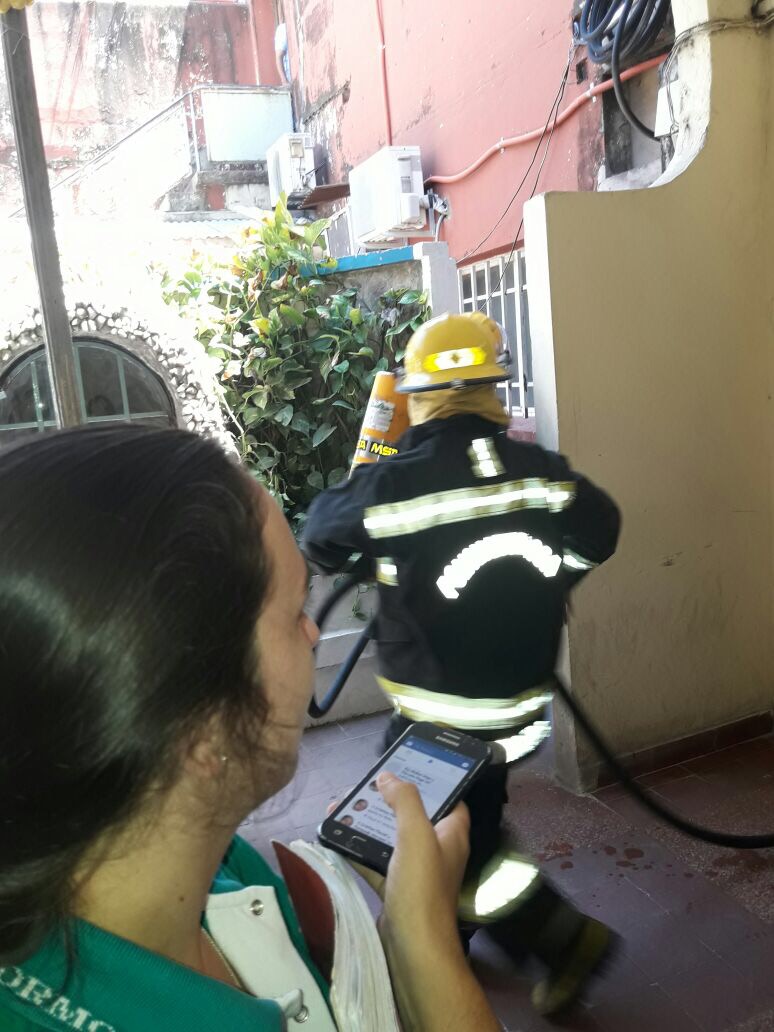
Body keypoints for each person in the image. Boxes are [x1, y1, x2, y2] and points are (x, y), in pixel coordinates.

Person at [0, 425, 502, 1032]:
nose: (314, 634)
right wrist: (430, 947)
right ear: (202, 729)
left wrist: (396, 932)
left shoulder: (222, 864)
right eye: (295, 614)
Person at [302, 311, 622, 1017]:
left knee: (400, 835)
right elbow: (604, 527)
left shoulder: (395, 486)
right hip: (518, 708)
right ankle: (461, 922)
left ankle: (561, 938)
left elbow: (320, 534)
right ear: (490, 391)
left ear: (420, 396)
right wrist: (551, 577)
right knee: (473, 815)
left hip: (437, 719)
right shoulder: (539, 470)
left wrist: (369, 465)